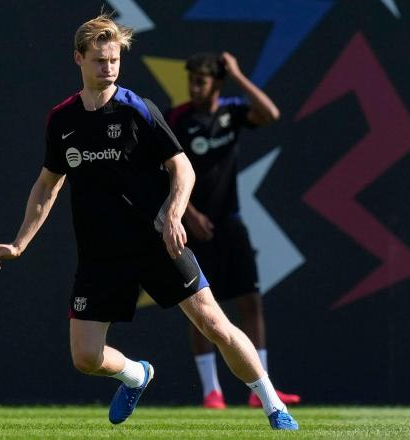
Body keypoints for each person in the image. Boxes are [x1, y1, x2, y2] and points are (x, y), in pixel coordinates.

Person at [0, 14, 298, 431]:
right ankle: (136, 374)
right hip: (100, 254)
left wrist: (172, 211)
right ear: (78, 58)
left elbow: (182, 168)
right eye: (98, 60)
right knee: (85, 359)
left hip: (156, 243)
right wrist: (20, 242)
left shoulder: (138, 110)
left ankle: (274, 405)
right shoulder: (62, 120)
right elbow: (47, 186)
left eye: (114, 59)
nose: (108, 67)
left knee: (214, 322)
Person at [166, 52, 301, 409]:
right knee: (200, 309)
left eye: (202, 80)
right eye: (191, 80)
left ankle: (261, 391)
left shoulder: (232, 112)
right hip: (191, 227)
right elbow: (163, 170)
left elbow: (270, 114)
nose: (195, 87)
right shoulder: (178, 119)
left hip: (231, 223)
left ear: (216, 83)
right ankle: (212, 391)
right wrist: (189, 214)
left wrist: (239, 75)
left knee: (250, 302)